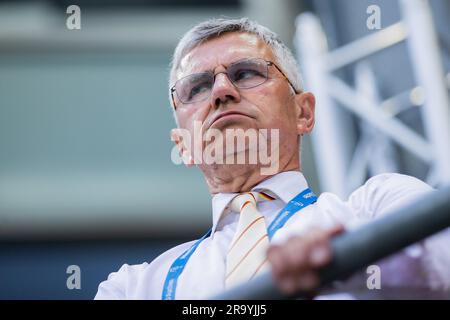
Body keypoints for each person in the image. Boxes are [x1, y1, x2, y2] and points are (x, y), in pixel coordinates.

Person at [95, 18, 450, 300]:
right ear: (183, 145)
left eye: (246, 73)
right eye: (197, 87)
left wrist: (341, 261)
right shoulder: (134, 288)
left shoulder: (376, 207)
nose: (221, 91)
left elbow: (443, 268)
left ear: (303, 112)